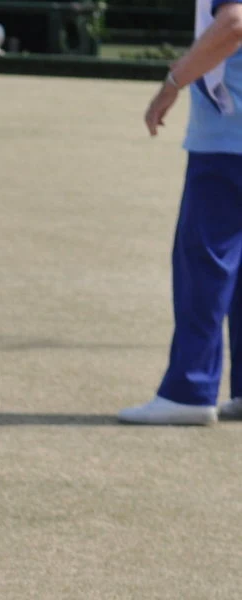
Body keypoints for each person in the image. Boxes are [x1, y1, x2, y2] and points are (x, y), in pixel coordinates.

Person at [119, 1, 242, 425]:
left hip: (230, 143)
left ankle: (190, 389)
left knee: (204, 266)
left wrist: (173, 81)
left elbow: (235, 23)